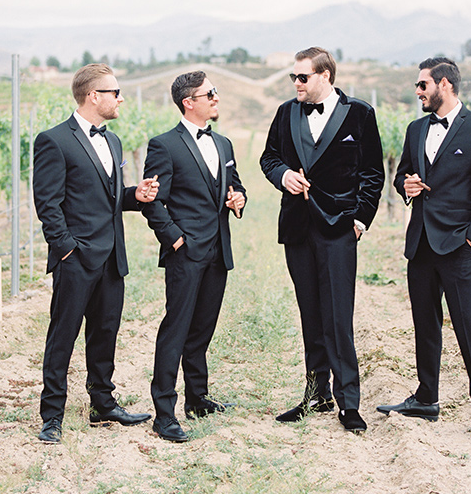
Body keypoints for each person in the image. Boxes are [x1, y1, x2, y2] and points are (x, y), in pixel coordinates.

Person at [376, 57, 471, 443]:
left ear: (444, 84)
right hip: (421, 245)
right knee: (425, 326)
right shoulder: (416, 129)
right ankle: (426, 398)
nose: (417, 92)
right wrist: (407, 186)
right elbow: (401, 176)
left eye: (422, 85)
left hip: (460, 248)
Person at [32, 63, 159, 444]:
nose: (120, 99)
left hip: (111, 259)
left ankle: (102, 404)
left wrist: (134, 195)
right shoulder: (54, 140)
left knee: (105, 333)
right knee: (63, 336)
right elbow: (47, 205)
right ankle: (52, 415)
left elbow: (107, 198)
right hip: (77, 259)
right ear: (93, 96)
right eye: (115, 92)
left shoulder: (113, 141)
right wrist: (68, 250)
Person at [260, 46, 384, 434]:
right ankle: (317, 393)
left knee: (337, 317)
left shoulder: (360, 114)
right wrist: (282, 176)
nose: (296, 83)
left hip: (340, 228)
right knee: (310, 312)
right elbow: (269, 157)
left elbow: (373, 174)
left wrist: (361, 220)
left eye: (303, 77)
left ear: (325, 76)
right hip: (298, 227)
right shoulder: (285, 113)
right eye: (293, 77)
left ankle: (349, 403)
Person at [141, 71, 247, 443]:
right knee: (177, 329)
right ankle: (164, 412)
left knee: (202, 328)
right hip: (185, 253)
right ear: (189, 102)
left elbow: (235, 186)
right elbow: (152, 202)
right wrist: (174, 240)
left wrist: (239, 199)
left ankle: (197, 398)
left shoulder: (224, 144)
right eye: (210, 93)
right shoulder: (163, 145)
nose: (216, 98)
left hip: (218, 250)